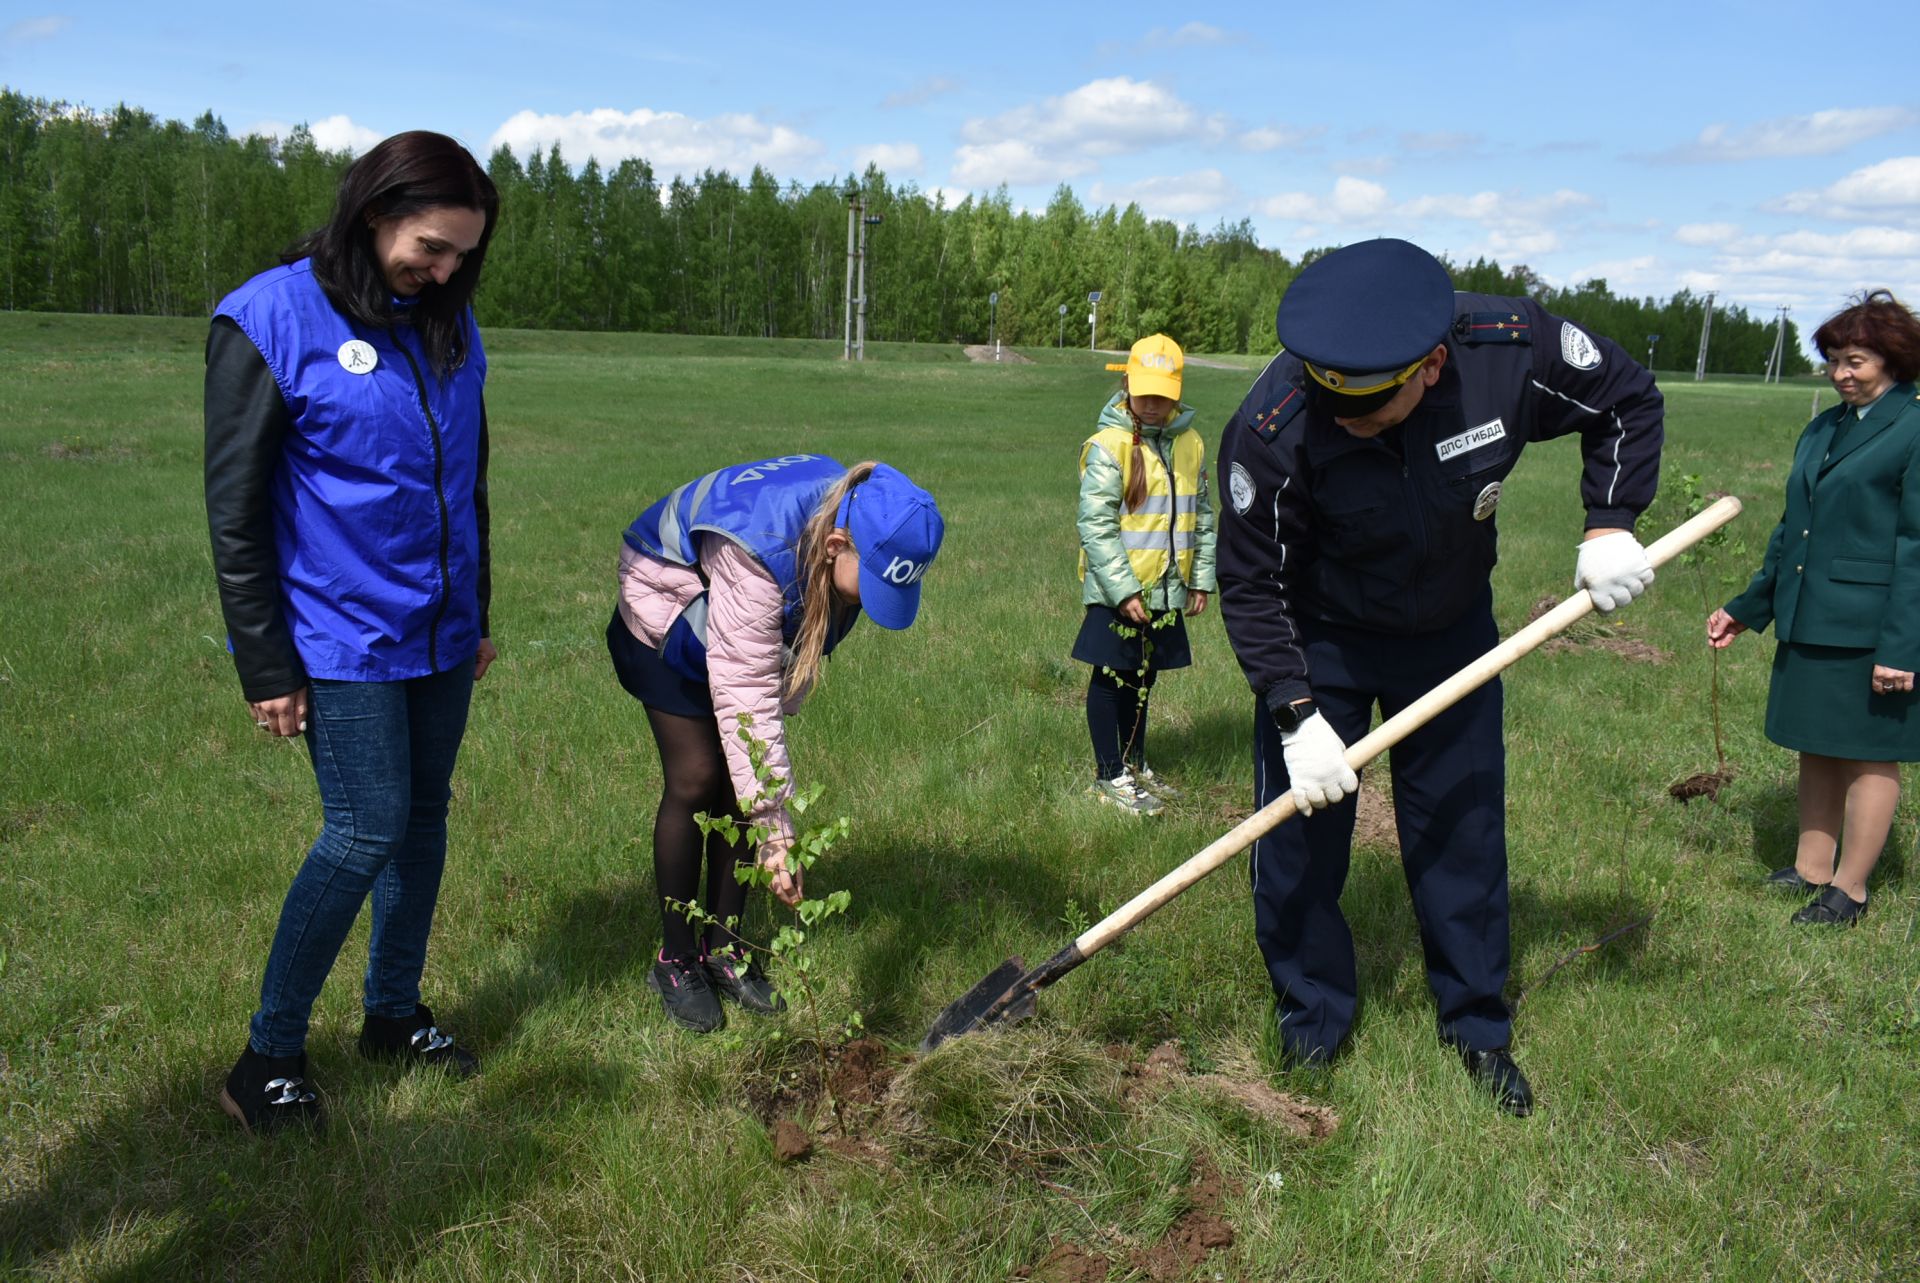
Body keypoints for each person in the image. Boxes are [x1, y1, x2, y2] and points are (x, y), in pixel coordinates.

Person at [1215, 238, 1665, 1116]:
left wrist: (1611, 521)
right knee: (1300, 841)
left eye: (1369, 410)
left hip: (1452, 633)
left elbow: (1624, 398)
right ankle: (1312, 1019)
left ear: (1430, 366)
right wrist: (1296, 710)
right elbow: (1251, 581)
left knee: (1461, 832)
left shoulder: (1506, 348)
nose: (1345, 421)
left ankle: (1477, 1027)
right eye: (1334, 406)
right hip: (1323, 639)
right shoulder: (1275, 421)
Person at [203, 131, 499, 1133]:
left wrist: (478, 613)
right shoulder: (268, 319)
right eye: (430, 245)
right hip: (340, 636)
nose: (446, 268)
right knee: (365, 825)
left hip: (441, 632)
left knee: (423, 821)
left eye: (463, 253)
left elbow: (469, 480)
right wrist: (265, 662)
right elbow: (235, 510)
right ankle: (268, 1053)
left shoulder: (450, 324)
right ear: (373, 214)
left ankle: (393, 1012)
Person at [610, 455, 945, 1033]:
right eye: (867, 584)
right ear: (836, 544)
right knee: (697, 778)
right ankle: (675, 958)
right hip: (665, 603)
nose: (866, 600)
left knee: (737, 786)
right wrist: (774, 825)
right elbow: (746, 691)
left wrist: (762, 801)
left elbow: (785, 657)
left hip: (737, 628)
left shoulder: (853, 530)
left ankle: (726, 948)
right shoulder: (764, 552)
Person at [1707, 290, 1920, 926]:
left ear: (1893, 359)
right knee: (1817, 745)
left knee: (1866, 752)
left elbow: (1917, 545)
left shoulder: (1914, 426)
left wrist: (1902, 649)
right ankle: (1811, 868)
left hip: (1872, 627)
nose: (1840, 374)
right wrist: (1749, 608)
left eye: (1855, 360)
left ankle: (1849, 890)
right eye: (1833, 360)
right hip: (1810, 616)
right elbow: (1791, 530)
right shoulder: (1824, 426)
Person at [1074, 334, 1218, 815]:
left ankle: (1135, 765)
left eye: (1163, 393)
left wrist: (1200, 576)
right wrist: (1121, 590)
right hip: (1118, 592)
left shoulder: (1190, 443)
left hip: (1165, 590)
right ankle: (1108, 774)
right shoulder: (1108, 445)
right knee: (1111, 675)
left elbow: (1204, 514)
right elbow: (1096, 525)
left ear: (1177, 390)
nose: (1153, 403)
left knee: (1143, 677)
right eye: (1144, 392)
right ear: (1128, 386)